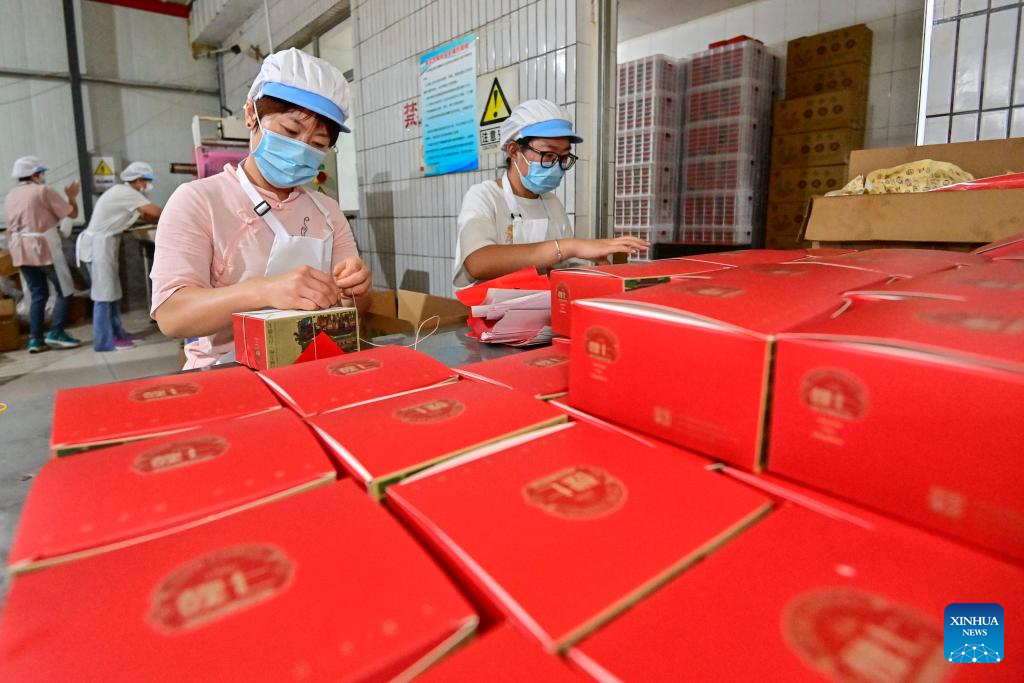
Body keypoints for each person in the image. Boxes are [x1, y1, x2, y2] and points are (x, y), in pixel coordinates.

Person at [151, 48, 371, 368]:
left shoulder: (327, 211)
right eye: (290, 132)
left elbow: (353, 308)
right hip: (226, 371)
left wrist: (357, 291)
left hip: (312, 364)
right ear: (251, 115)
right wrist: (264, 291)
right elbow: (172, 315)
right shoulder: (199, 200)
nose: (301, 150)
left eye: (317, 144)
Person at [454, 99, 649, 289]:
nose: (557, 165)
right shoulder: (485, 196)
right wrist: (570, 246)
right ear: (514, 151)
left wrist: (596, 273)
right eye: (548, 155)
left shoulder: (551, 202)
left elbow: (561, 268)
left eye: (563, 157)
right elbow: (477, 263)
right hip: (490, 310)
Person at [77, 161, 162, 351]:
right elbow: (154, 211)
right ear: (137, 180)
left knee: (112, 292)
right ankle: (104, 342)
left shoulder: (126, 193)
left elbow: (144, 214)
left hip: (105, 246)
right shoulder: (125, 193)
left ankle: (118, 334)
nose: (148, 185)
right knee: (103, 295)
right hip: (98, 247)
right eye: (147, 181)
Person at [4, 156, 82, 353]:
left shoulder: (11, 195)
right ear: (35, 174)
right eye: (41, 173)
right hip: (43, 248)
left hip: (20, 250)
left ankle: (35, 339)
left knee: (38, 293)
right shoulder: (43, 191)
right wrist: (72, 196)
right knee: (65, 290)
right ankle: (56, 332)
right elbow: (71, 213)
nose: (43, 176)